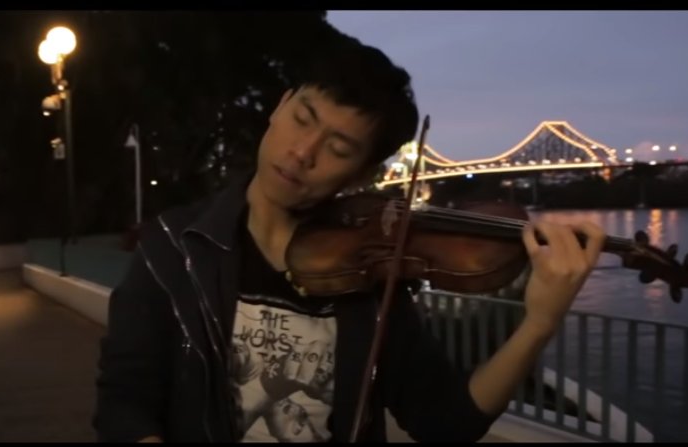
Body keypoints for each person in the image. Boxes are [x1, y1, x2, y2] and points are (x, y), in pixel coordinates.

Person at [93, 32, 606, 443]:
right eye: (302, 119)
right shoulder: (172, 248)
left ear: (363, 175)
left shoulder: (374, 282)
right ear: (280, 105)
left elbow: (446, 424)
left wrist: (540, 321)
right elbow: (123, 404)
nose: (301, 152)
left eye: (337, 147)